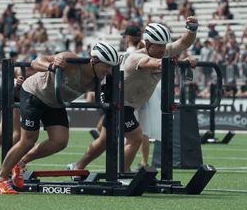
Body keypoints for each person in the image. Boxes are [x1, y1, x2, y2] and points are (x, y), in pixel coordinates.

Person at [69, 17, 199, 173]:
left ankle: (77, 166)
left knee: (104, 141)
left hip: (129, 103)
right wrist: (183, 62)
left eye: (164, 45)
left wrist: (191, 29)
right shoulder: (136, 57)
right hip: (118, 102)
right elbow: (153, 64)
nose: (162, 49)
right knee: (135, 137)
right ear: (148, 44)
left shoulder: (163, 52)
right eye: (158, 45)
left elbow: (184, 43)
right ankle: (122, 171)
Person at [0, 42, 120, 194]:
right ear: (94, 60)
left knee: (60, 141)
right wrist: (51, 66)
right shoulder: (71, 60)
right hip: (34, 93)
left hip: (55, 103)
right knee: (28, 140)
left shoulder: (101, 78)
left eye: (111, 67)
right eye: (106, 66)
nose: (109, 70)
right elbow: (35, 61)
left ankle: (20, 162)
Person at [0, 66, 36, 164]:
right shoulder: (21, 68)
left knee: (0, 134)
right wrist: (14, 82)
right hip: (9, 93)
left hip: (15, 94)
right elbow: (5, 79)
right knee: (16, 133)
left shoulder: (42, 69)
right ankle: (9, 165)